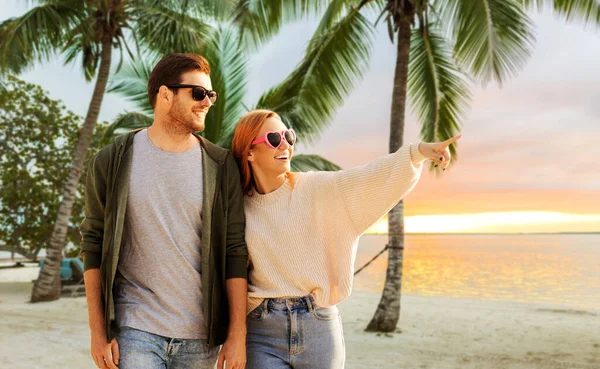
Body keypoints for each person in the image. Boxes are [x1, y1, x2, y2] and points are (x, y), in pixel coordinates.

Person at [231, 109, 460, 369]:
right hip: (262, 332)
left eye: (289, 136)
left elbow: (368, 177)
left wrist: (417, 151)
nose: (285, 145)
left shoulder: (318, 188)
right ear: (249, 152)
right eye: (274, 139)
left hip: (318, 327)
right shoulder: (238, 207)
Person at [80, 53, 248, 369]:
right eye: (198, 93)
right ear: (165, 94)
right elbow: (92, 244)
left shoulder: (220, 166)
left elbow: (234, 252)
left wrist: (237, 334)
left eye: (211, 95)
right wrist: (97, 330)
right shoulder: (111, 160)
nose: (207, 102)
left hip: (201, 337)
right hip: (135, 327)